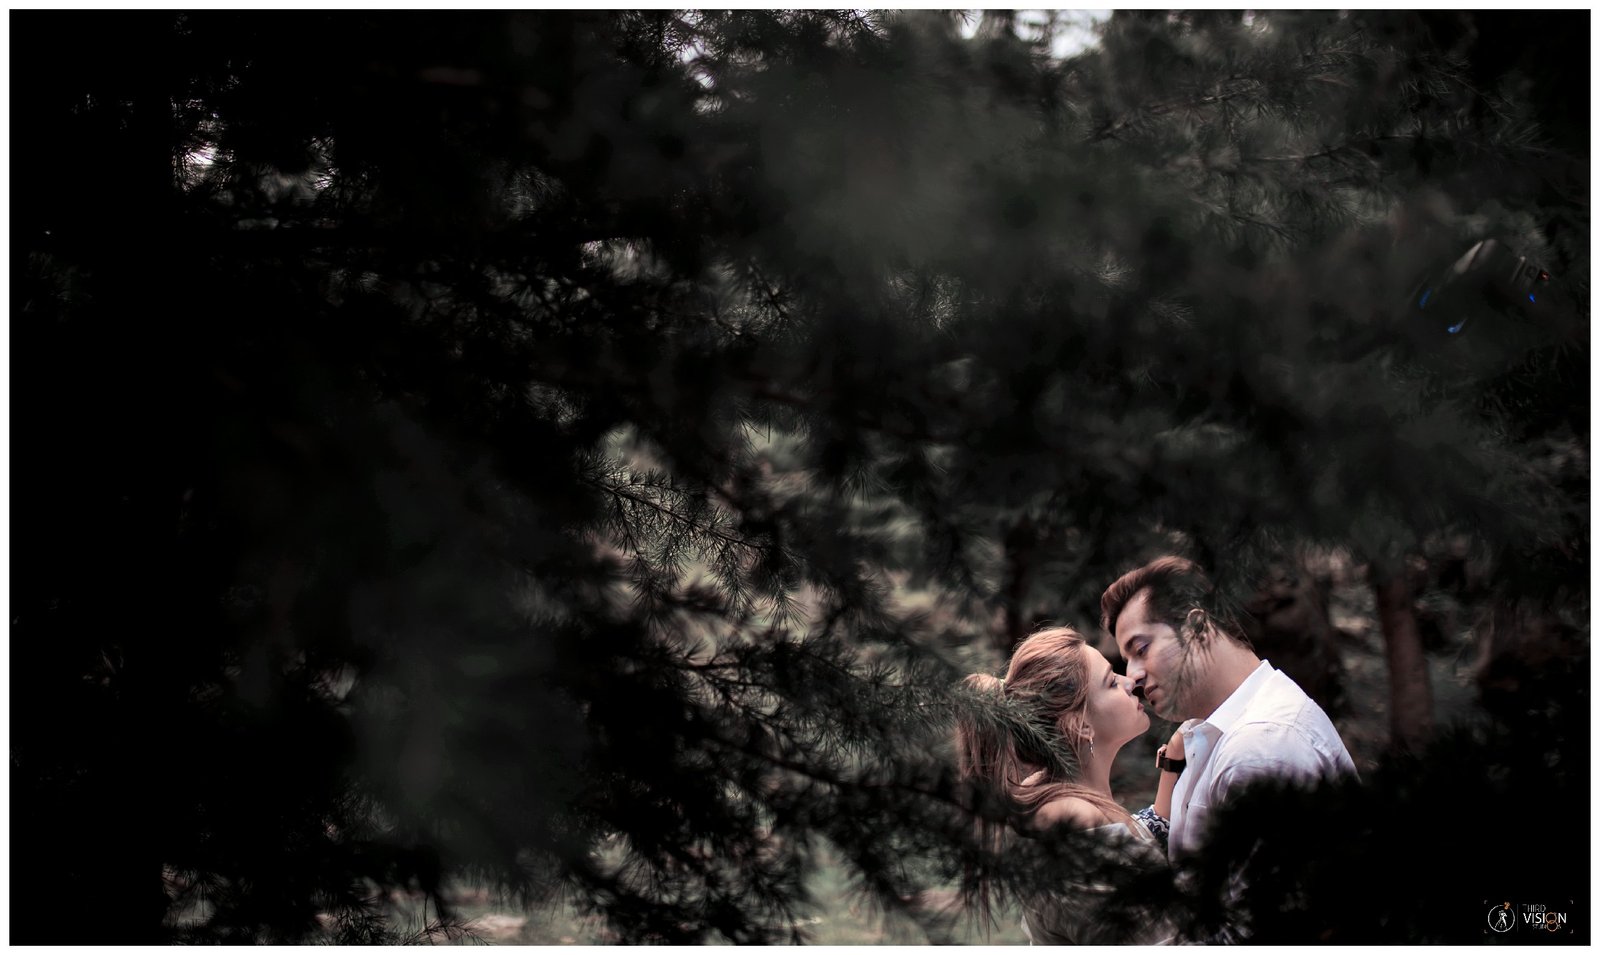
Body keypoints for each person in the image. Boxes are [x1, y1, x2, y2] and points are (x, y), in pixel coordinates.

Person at [1102, 555, 1357, 862]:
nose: (1133, 675)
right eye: (1128, 659)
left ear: (1197, 630)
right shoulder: (1213, 732)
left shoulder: (1260, 747)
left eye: (1141, 649)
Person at [955, 627, 1186, 945]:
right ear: (1082, 725)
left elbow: (1137, 848)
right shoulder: (1072, 821)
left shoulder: (1061, 793)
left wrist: (1171, 766)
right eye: (1110, 681)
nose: (1129, 681)